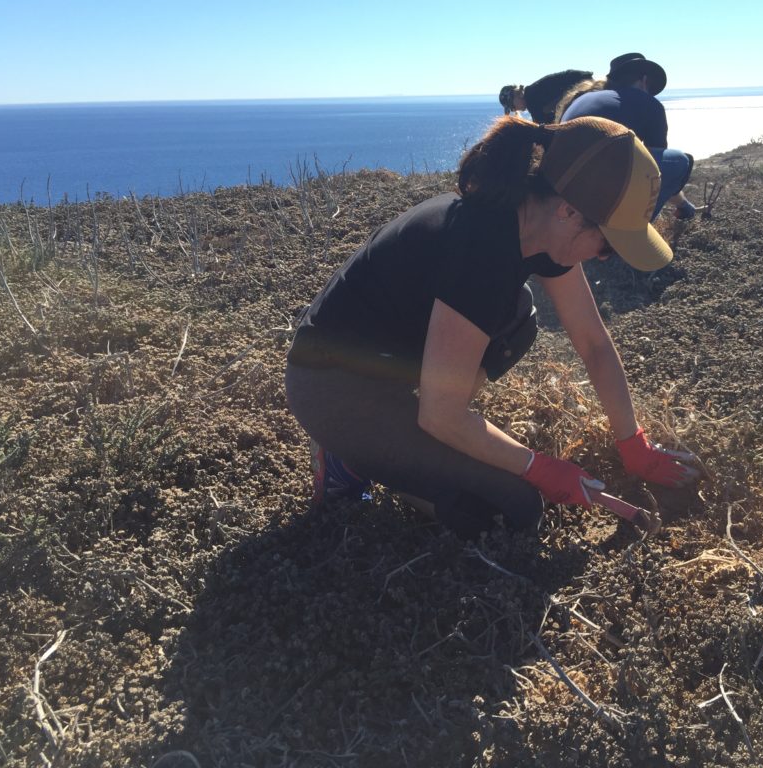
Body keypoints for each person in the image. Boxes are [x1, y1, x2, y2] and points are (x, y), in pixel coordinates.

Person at [285, 116, 701, 539]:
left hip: (390, 365)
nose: (604, 257)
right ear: (568, 210)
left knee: (518, 316)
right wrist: (538, 468)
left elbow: (593, 341)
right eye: (608, 242)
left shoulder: (534, 224)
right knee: (511, 510)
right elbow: (441, 415)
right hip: (331, 389)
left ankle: (417, 440)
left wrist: (633, 444)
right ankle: (348, 460)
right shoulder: (481, 250)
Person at [558, 53, 701, 220]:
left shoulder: (584, 98)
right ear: (645, 80)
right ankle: (634, 228)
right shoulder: (648, 103)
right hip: (595, 186)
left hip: (561, 182)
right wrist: (684, 206)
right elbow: (653, 173)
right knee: (679, 161)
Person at [499, 69, 593, 124]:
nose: (514, 110)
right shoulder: (532, 92)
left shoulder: (532, 99)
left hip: (584, 85)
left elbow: (545, 129)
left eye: (512, 106)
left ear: (516, 94)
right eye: (512, 109)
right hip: (585, 82)